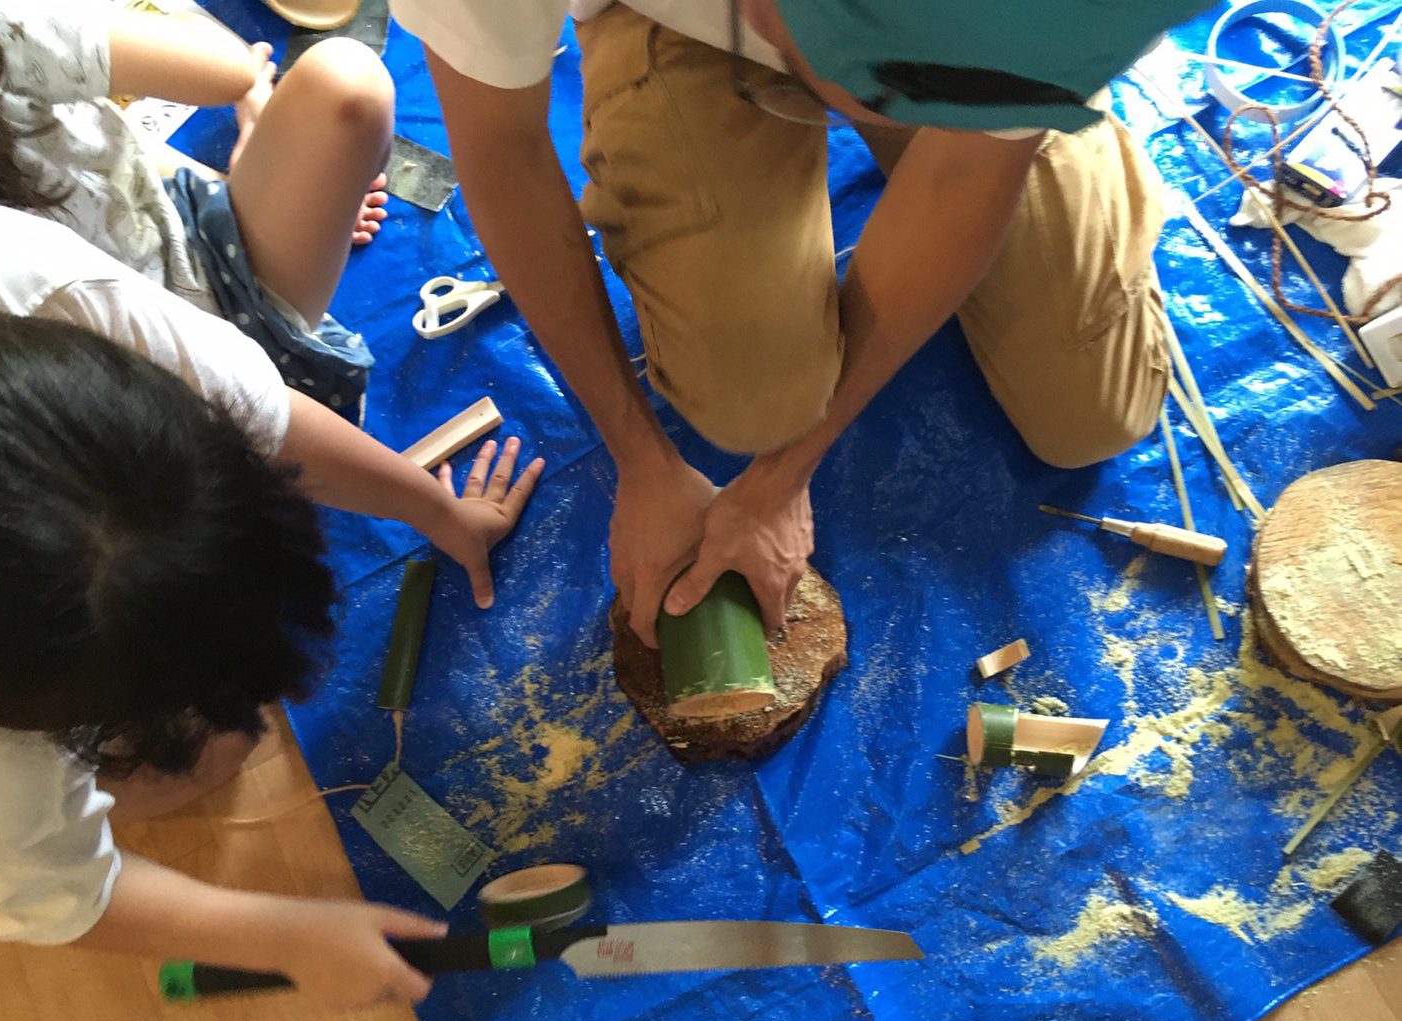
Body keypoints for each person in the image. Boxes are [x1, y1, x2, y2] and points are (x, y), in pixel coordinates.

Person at [391, 0, 1209, 646]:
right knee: (750, 399)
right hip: (686, 23)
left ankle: (1041, 102)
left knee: (1092, 419)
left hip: (990, 43)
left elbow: (964, 173)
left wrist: (786, 476)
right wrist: (639, 457)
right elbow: (502, 153)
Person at [0, 200, 544, 1008]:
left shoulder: (20, 278)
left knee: (215, 742)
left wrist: (441, 512)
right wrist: (278, 933)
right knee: (208, 763)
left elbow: (269, 423)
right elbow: (50, 888)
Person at [0, 0, 392, 413]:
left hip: (81, 406)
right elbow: (228, 68)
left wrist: (264, 172)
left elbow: (69, 157)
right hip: (207, 344)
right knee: (347, 82)